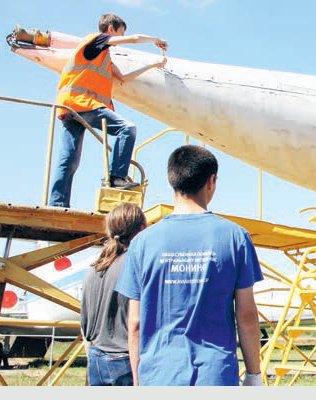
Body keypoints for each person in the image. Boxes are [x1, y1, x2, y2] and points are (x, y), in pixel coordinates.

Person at [115, 145, 264, 386]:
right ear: (211, 181)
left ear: (171, 180)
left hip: (158, 376)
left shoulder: (142, 242)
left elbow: (135, 322)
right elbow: (246, 315)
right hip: (215, 375)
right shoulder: (235, 237)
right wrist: (254, 375)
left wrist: (137, 380)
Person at [49, 13, 168, 208]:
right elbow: (134, 39)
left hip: (70, 106)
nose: (122, 38)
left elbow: (123, 77)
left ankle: (57, 204)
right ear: (111, 29)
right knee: (127, 128)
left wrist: (154, 65)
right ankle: (116, 177)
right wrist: (155, 40)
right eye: (121, 32)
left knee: (69, 158)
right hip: (83, 104)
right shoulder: (97, 40)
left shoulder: (102, 57)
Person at [80, 202, 146, 386]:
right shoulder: (136, 265)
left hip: (96, 357)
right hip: (126, 359)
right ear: (142, 229)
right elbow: (137, 323)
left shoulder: (94, 268)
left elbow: (84, 324)